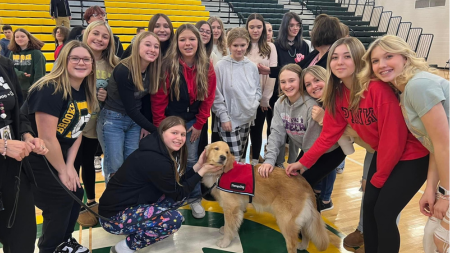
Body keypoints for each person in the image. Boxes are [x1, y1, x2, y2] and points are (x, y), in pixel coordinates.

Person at [286, 37, 429, 253]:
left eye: (346, 56)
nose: (339, 62)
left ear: (358, 61)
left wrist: (378, 177)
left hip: (411, 157)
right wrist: (303, 163)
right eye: (334, 57)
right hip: (384, 154)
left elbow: (394, 139)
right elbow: (328, 135)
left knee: (384, 212)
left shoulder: (376, 89)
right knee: (370, 208)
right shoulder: (338, 93)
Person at [361, 35, 449, 253]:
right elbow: (433, 146)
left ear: (405, 57)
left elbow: (444, 146)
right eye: (375, 61)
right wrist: (431, 189)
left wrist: (445, 194)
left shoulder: (417, 86)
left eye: (388, 56)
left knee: (439, 240)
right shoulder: (403, 90)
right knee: (433, 239)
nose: (381, 65)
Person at [98, 116, 222, 253]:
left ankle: (139, 226)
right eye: (174, 133)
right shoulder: (156, 160)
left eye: (182, 134)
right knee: (173, 220)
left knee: (176, 199)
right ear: (162, 132)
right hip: (112, 218)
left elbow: (176, 187)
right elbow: (179, 193)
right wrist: (203, 171)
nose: (180, 138)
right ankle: (124, 247)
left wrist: (198, 166)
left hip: (127, 206)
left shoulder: (157, 150)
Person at [24, 40, 98, 253]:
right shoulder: (50, 88)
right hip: (39, 157)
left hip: (61, 156)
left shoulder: (85, 90)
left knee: (76, 192)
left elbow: (78, 132)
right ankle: (49, 247)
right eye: (75, 58)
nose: (81, 62)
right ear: (63, 60)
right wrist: (63, 170)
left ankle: (64, 242)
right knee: (60, 199)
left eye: (86, 59)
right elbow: (47, 139)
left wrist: (70, 166)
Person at [151, 24, 216, 219]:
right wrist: (160, 128)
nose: (187, 43)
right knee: (168, 161)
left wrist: (198, 124)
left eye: (192, 39)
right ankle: (168, 197)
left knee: (191, 161)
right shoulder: (167, 64)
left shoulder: (207, 65)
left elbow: (208, 98)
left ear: (199, 41)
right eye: (183, 39)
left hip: (192, 123)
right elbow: (159, 98)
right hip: (170, 122)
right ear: (176, 43)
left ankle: (194, 198)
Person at [257, 64, 345, 197]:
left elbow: (312, 144)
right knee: (296, 183)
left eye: (292, 80)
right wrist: (269, 160)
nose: (287, 86)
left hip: (329, 152)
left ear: (301, 82)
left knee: (302, 186)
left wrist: (303, 165)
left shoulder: (311, 106)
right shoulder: (280, 103)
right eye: (283, 82)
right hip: (309, 150)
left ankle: (319, 206)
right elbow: (276, 133)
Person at [97, 31, 160, 183]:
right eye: (148, 44)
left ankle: (128, 204)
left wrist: (146, 125)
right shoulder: (124, 70)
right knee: (115, 168)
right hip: (113, 120)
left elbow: (145, 101)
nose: (152, 49)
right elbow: (131, 109)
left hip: (134, 123)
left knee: (132, 165)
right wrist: (157, 132)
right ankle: (113, 205)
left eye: (156, 46)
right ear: (137, 46)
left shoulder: (152, 70)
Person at [0, 53, 47, 253]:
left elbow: (17, 110)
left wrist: (27, 134)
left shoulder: (4, 64)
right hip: (5, 150)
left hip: (13, 167)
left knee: (23, 238)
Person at [75, 20, 119, 219]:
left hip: (97, 123)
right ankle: (72, 201)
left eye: (105, 36)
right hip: (73, 122)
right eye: (96, 34)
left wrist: (108, 96)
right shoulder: (76, 57)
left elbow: (121, 94)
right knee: (72, 163)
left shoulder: (114, 64)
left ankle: (91, 201)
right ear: (87, 34)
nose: (100, 39)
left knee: (88, 161)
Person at [212, 27, 262, 162]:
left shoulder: (251, 66)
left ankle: (238, 183)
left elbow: (257, 90)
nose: (239, 49)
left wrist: (253, 106)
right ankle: (228, 183)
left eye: (242, 45)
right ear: (229, 45)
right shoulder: (221, 66)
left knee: (240, 157)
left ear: (247, 44)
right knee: (234, 157)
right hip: (228, 120)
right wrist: (223, 117)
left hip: (247, 117)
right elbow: (216, 95)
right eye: (235, 45)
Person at [244, 13, 277, 165]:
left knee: (257, 131)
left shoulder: (270, 47)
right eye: (252, 27)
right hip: (243, 97)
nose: (255, 30)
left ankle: (255, 162)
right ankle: (240, 162)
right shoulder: (243, 45)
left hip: (260, 98)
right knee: (243, 132)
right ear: (247, 28)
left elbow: (272, 75)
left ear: (263, 28)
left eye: (258, 27)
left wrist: (265, 98)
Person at [195, 20, 217, 158]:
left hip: (202, 105)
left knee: (200, 141)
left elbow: (211, 86)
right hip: (187, 106)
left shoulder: (211, 56)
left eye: (208, 32)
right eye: (201, 30)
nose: (205, 33)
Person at [8, 28, 46, 99]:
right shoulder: (12, 53)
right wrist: (21, 74)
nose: (20, 39)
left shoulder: (36, 53)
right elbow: (10, 69)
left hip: (31, 90)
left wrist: (35, 89)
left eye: (23, 36)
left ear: (28, 38)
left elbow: (39, 74)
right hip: (16, 89)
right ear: (14, 39)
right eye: (17, 37)